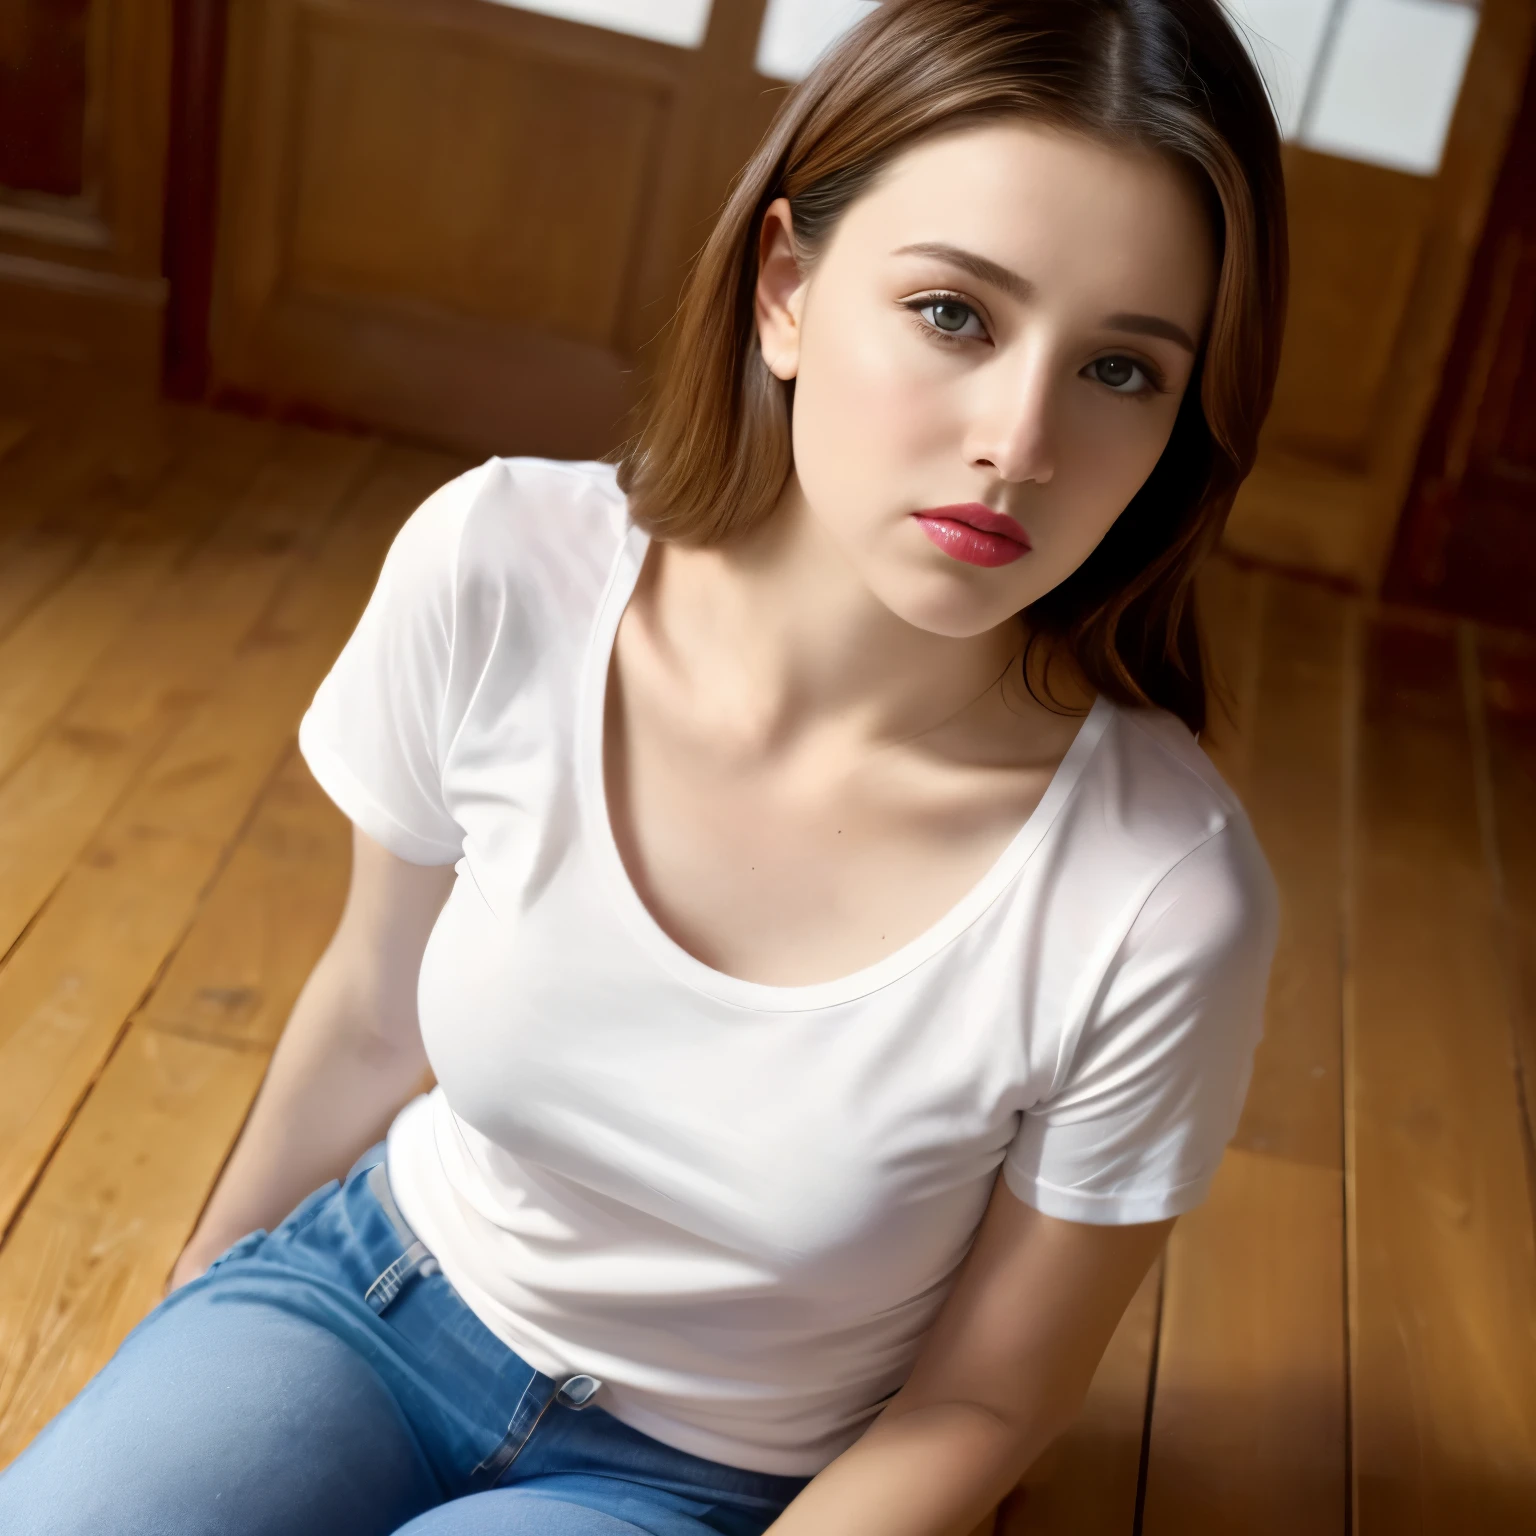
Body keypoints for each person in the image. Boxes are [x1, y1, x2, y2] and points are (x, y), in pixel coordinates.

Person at [0, 1, 1286, 1531]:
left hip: (701, 1475)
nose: (1020, 440)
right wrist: (187, 1337)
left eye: (1123, 372)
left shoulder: (1157, 898)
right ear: (789, 289)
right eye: (955, 313)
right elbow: (362, 1014)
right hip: (369, 1292)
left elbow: (989, 1399)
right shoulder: (501, 567)